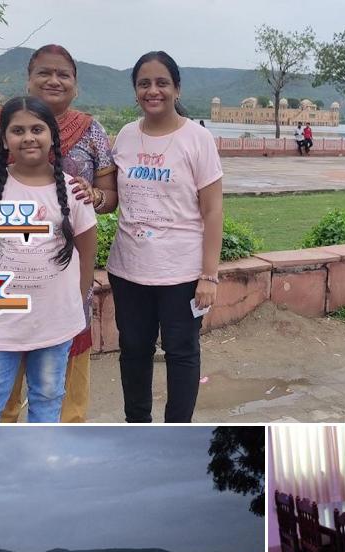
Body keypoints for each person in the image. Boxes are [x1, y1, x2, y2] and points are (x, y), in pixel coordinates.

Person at [0, 45, 117, 423]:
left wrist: (92, 195)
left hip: (61, 282)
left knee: (57, 388)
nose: (54, 80)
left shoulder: (91, 130)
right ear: (28, 79)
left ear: (75, 84)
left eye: (64, 74)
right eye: (44, 72)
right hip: (4, 286)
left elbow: (109, 199)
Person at [108, 51, 224, 423]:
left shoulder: (197, 138)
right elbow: (109, 196)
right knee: (134, 351)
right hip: (128, 271)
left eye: (162, 83)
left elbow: (213, 211)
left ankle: (179, 426)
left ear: (176, 88)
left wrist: (209, 276)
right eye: (144, 83)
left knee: (182, 352)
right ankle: (136, 424)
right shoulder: (126, 135)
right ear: (135, 91)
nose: (152, 90)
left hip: (181, 274)